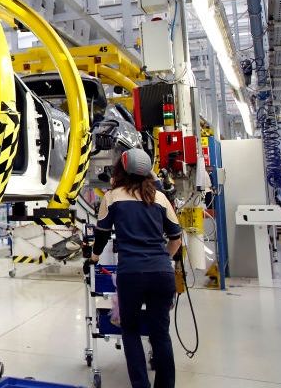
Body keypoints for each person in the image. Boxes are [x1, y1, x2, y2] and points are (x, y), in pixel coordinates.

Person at [89, 147, 183, 388]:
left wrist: (94, 258)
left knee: (130, 331)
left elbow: (101, 235)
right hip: (162, 274)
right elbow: (176, 237)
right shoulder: (160, 198)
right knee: (160, 333)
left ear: (121, 169)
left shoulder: (112, 197)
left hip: (131, 274)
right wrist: (164, 258)